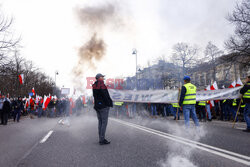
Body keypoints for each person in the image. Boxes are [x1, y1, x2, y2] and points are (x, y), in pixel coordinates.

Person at [92, 73, 113, 145]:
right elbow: (105, 95)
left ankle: (100, 138)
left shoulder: (94, 85)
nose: (103, 78)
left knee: (100, 122)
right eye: (102, 77)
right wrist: (109, 104)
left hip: (97, 106)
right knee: (104, 123)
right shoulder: (101, 85)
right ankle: (102, 139)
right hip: (103, 106)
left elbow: (95, 96)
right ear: (99, 78)